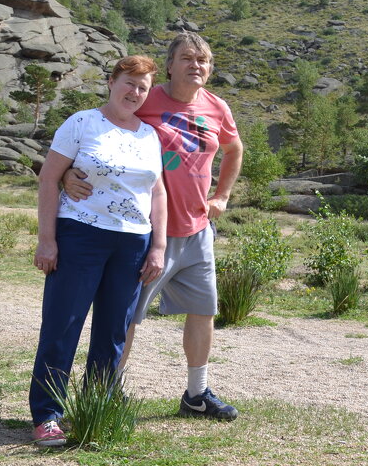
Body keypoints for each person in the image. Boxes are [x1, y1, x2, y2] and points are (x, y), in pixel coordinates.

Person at [64, 32, 244, 421]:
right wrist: (65, 176)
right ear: (170, 64)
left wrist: (222, 196)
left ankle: (196, 396)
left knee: (203, 311)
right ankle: (105, 395)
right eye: (188, 59)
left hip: (198, 230)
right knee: (125, 317)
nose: (197, 66)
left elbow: (234, 149)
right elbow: (100, 131)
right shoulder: (147, 98)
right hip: (146, 233)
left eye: (204, 60)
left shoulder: (217, 107)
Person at [29, 55, 167, 447]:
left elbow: (157, 191)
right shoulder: (82, 123)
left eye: (143, 87)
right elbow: (49, 179)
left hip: (133, 243)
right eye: (129, 83)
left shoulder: (148, 135)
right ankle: (47, 415)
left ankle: (95, 408)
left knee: (112, 332)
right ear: (111, 81)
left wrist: (158, 245)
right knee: (63, 325)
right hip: (81, 236)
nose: (135, 92)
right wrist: (47, 239)